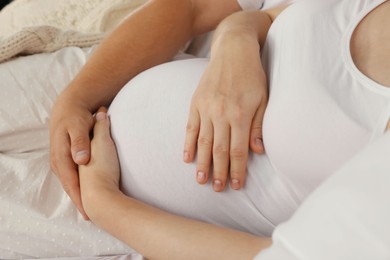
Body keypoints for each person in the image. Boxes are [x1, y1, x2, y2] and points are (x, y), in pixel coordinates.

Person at [79, 0, 390, 259]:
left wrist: (104, 203)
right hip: (101, 112)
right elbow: (264, 17)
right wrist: (235, 36)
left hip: (118, 221)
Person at [49, 0, 268, 220]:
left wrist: (104, 202)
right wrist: (75, 99)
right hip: (114, 77)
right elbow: (190, 7)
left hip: (127, 214)